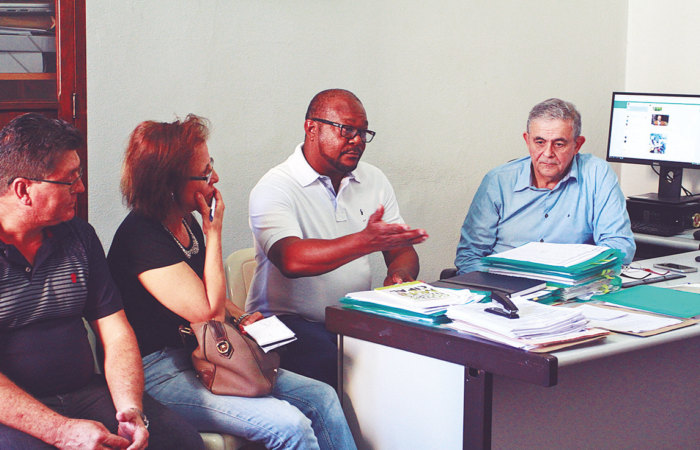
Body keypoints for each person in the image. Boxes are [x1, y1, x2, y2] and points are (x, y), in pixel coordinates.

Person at [107, 114, 356, 450]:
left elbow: (211, 297)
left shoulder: (185, 222)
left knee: (321, 396)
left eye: (211, 166)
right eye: (205, 172)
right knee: (290, 425)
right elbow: (208, 312)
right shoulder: (141, 237)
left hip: (202, 357)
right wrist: (215, 232)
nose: (216, 177)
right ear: (169, 184)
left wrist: (242, 316)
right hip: (157, 373)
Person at [0, 113, 203, 449]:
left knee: (180, 441)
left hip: (85, 393)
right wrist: (61, 431)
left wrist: (130, 408)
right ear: (23, 190)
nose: (80, 188)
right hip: (13, 411)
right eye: (69, 180)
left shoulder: (79, 237)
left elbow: (116, 331)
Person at [247, 89, 429, 388]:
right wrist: (365, 241)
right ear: (311, 128)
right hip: (285, 323)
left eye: (363, 132)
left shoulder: (373, 179)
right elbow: (291, 260)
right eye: (346, 130)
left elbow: (401, 250)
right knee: (341, 369)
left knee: (419, 356)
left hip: (352, 318)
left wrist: (399, 275)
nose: (357, 140)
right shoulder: (276, 186)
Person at [455, 98, 636, 274]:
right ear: (527, 141)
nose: (548, 153)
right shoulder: (498, 181)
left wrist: (575, 277)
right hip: (503, 284)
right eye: (540, 142)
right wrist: (494, 286)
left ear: (577, 145)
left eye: (559, 144)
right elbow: (470, 256)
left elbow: (619, 247)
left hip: (568, 285)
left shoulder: (597, 174)